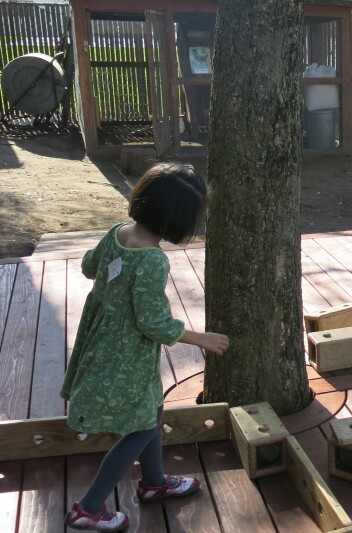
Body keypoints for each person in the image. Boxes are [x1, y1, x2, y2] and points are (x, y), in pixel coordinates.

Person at [62, 162, 230, 532]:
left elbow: (90, 267)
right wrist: (201, 338)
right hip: (126, 357)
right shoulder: (153, 260)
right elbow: (152, 322)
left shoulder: (116, 233)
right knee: (138, 428)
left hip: (103, 343)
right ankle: (88, 508)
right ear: (179, 220)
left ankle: (154, 483)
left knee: (150, 411)